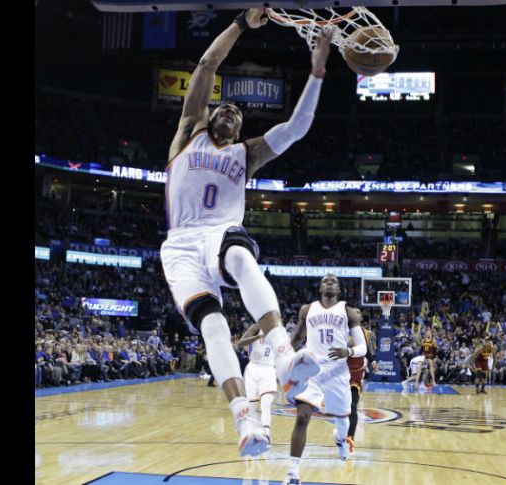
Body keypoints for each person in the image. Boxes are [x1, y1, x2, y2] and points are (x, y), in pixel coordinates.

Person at [159, 9, 333, 456]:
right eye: (223, 106)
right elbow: (205, 67)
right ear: (210, 114)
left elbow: (296, 129)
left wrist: (317, 68)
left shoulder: (247, 154)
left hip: (220, 231)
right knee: (213, 328)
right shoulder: (186, 134)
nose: (229, 110)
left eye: (236, 111)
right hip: (179, 244)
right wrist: (240, 22)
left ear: (241, 128)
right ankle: (243, 419)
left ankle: (282, 353)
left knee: (239, 257)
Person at [283, 274, 368, 485]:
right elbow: (297, 338)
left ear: (339, 289)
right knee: (302, 416)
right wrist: (282, 357)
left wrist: (347, 351)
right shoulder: (307, 309)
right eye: (325, 280)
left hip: (338, 372)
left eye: (334, 281)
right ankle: (293, 474)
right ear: (320, 287)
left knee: (342, 420)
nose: (329, 282)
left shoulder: (349, 312)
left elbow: (362, 348)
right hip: (313, 370)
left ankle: (340, 440)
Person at [235, 322, 277, 441]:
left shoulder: (279, 332)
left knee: (266, 402)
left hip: (269, 368)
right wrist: (258, 337)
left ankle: (266, 432)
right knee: (251, 404)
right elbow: (240, 343)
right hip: (254, 367)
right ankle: (249, 431)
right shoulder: (257, 327)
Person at [346, 322, 376, 447]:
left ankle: (350, 438)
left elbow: (366, 350)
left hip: (356, 374)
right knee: (343, 409)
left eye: (358, 313)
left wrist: (372, 360)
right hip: (342, 373)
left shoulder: (364, 333)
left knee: (353, 407)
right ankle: (341, 435)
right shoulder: (342, 331)